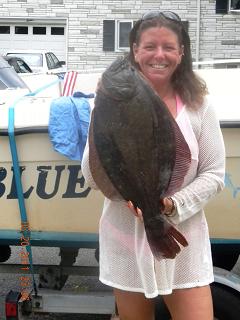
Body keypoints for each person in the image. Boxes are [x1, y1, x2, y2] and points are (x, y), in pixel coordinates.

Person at [81, 10, 225, 320]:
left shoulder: (199, 105)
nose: (158, 55)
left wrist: (170, 204)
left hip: (182, 239)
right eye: (149, 46)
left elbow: (214, 173)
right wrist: (101, 112)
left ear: (181, 53)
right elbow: (93, 177)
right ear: (135, 50)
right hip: (125, 238)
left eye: (168, 47)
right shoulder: (110, 99)